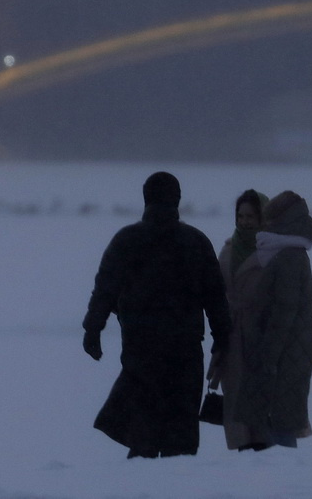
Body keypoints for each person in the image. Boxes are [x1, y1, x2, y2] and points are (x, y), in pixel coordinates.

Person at [81, 171, 230, 458]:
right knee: (181, 435)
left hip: (140, 347)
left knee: (144, 430)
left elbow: (105, 289)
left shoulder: (126, 240)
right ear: (177, 200)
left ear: (145, 199)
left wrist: (93, 330)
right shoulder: (196, 242)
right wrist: (222, 337)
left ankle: (143, 486)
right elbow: (215, 296)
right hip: (185, 349)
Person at [216, 189, 312, 451]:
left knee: (276, 424)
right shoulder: (234, 251)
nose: (245, 221)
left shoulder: (280, 254)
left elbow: (284, 311)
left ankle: (275, 479)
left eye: (252, 215)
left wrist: (268, 356)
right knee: (254, 420)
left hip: (269, 351)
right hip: (242, 343)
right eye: (240, 215)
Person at [219, 188, 269, 288]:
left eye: (250, 216)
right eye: (240, 216)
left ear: (263, 218)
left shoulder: (273, 251)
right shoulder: (227, 252)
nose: (244, 222)